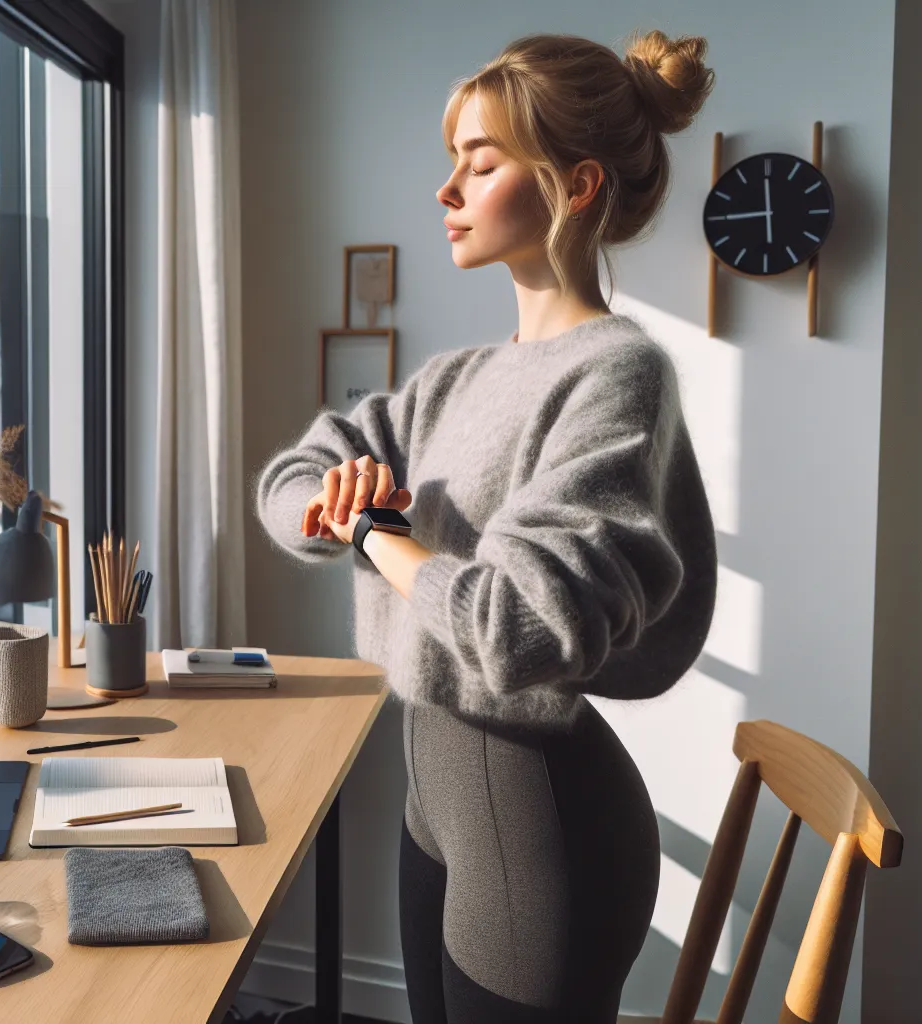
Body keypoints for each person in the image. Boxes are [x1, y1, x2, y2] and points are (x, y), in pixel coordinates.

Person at [255, 30, 720, 1024]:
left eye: (481, 161)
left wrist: (376, 533)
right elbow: (297, 475)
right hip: (437, 795)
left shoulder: (617, 373)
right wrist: (326, 502)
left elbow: (524, 621)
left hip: (536, 820)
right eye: (451, 162)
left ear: (574, 183)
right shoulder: (458, 379)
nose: (446, 190)